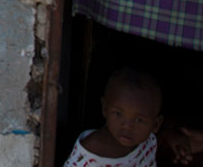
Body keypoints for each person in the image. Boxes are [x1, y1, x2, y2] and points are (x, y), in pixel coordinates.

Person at [62, 67, 200, 166]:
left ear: (156, 124)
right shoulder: (88, 157)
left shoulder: (149, 141)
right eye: (118, 114)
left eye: (139, 120)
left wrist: (174, 137)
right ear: (105, 109)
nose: (127, 125)